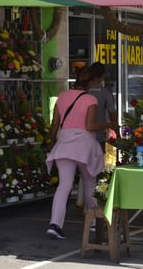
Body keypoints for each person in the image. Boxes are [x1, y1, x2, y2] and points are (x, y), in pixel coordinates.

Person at [45, 65, 119, 239]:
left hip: (63, 143)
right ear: (92, 81)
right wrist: (109, 125)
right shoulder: (90, 99)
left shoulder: (62, 96)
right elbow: (90, 126)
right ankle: (94, 223)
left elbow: (55, 124)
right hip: (84, 145)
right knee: (89, 184)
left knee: (64, 185)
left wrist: (51, 142)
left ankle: (55, 224)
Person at [76, 62, 119, 208]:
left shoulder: (83, 92)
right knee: (96, 171)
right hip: (97, 136)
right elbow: (112, 115)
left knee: (83, 169)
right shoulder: (105, 93)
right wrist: (116, 131)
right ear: (102, 76)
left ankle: (81, 200)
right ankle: (95, 203)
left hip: (79, 136)